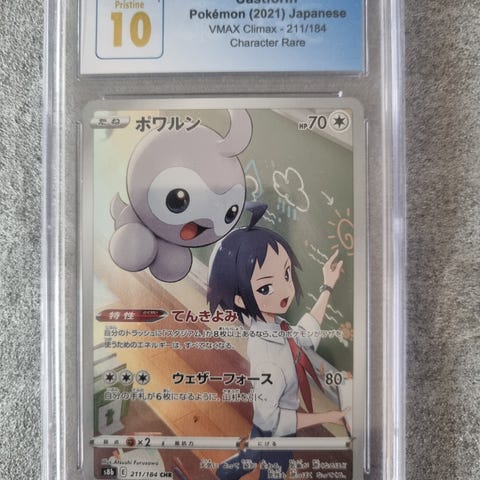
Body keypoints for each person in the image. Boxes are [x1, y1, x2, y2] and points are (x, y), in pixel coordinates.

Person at [207, 203, 349, 480]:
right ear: (240, 299)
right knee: (274, 469)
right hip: (277, 429)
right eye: (265, 287)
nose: (285, 289)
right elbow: (274, 420)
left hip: (266, 420)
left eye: (286, 274)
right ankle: (232, 469)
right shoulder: (269, 361)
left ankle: (227, 471)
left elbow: (303, 335)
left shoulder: (272, 326)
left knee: (253, 451)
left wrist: (327, 286)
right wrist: (328, 417)